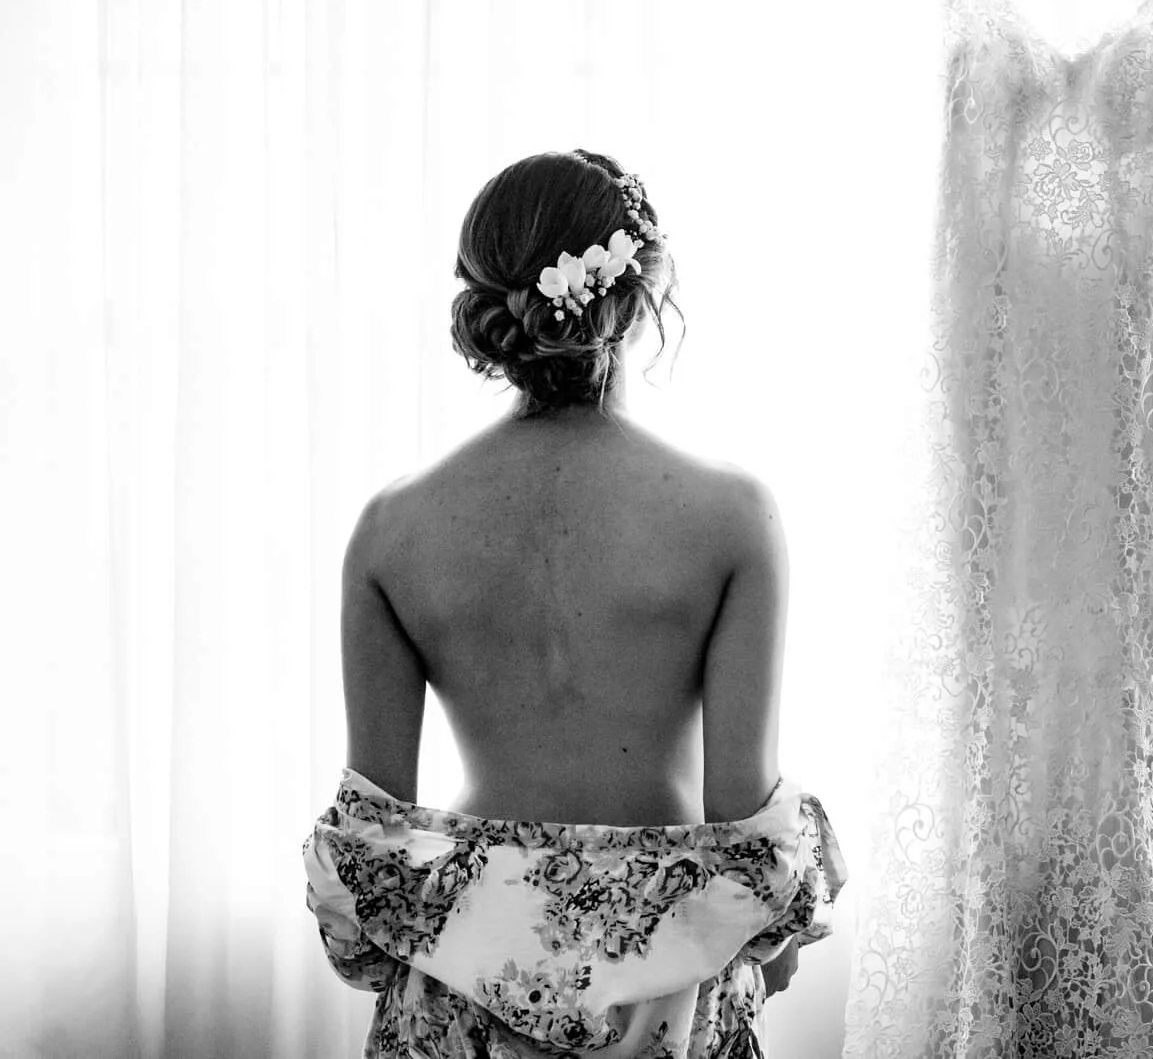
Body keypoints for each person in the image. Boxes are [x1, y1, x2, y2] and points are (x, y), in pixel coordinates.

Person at [302, 149, 844, 1058]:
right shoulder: (731, 517)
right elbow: (750, 840)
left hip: (458, 992)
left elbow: (372, 847)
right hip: (667, 1000)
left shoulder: (392, 529)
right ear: (639, 294)